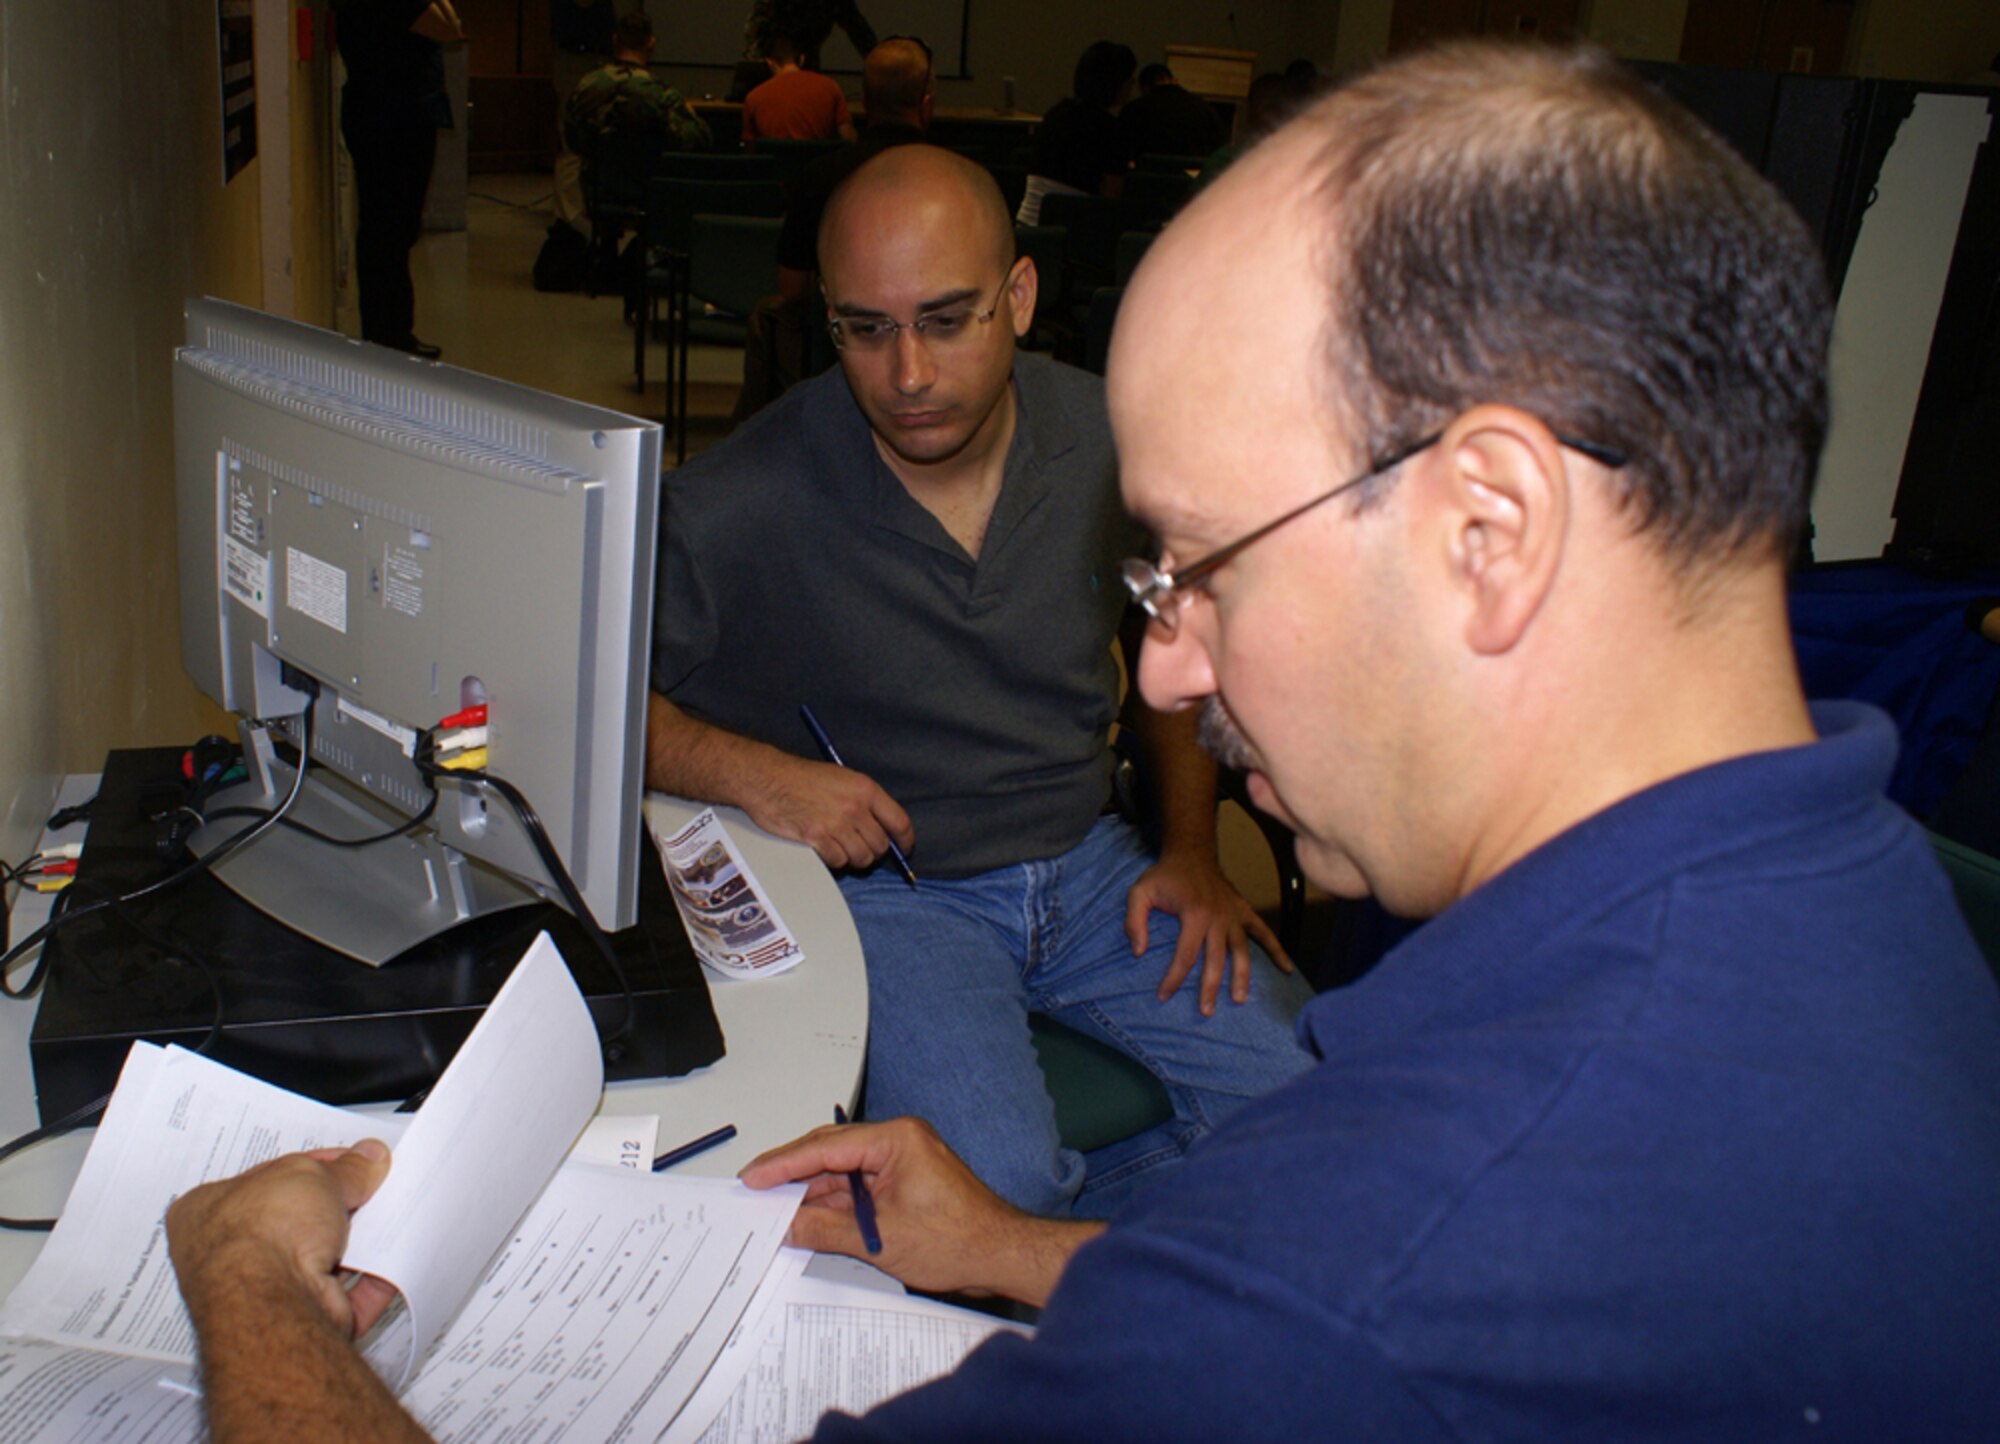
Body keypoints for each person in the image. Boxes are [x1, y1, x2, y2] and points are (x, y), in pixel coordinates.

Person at [163, 42, 2000, 1441]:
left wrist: (251, 1287)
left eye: (1202, 566)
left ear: (1491, 527)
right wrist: (1025, 1250)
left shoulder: (1365, 1276)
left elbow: (1336, 1293)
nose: (1170, 673)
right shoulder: (1870, 918)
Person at [652, 144, 1312, 1217]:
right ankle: (1044, 1249)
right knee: (999, 1182)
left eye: (946, 320)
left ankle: (1042, 1257)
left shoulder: (1109, 436)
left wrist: (1191, 850)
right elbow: (579, 703)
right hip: (899, 899)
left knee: (1316, 1112)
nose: (906, 375)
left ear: (1018, 296)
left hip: (1092, 861)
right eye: (864, 330)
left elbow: (1170, 648)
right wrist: (751, 771)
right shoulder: (744, 499)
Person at [731, 35, 934, 424]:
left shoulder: (822, 177)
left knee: (768, 317)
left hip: (834, 360)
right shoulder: (957, 184)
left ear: (863, 103)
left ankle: (760, 442)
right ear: (926, 104)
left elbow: (792, 289)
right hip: (933, 362)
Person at [334, 0, 462, 357]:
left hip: (391, 112)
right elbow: (449, 28)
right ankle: (388, 338)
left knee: (392, 232)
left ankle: (391, 334)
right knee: (388, 232)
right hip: (392, 116)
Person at [561, 12, 712, 170]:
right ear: (651, 43)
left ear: (614, 40)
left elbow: (572, 138)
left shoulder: (587, 86)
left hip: (599, 186)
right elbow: (699, 141)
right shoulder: (660, 93)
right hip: (646, 186)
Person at [1016, 40, 1137, 224]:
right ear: (1119, 84)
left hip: (1028, 224)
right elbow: (1110, 200)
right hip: (1073, 234)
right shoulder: (1112, 130)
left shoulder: (1056, 113)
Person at [547, 0, 616, 239]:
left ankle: (584, 214)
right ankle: (571, 218)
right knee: (573, 142)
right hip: (577, 56)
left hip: (598, 54)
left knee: (596, 142)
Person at [741, 31, 857, 143]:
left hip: (777, 163)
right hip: (818, 162)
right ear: (801, 59)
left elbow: (749, 149)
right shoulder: (831, 88)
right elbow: (848, 139)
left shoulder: (753, 98)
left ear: (769, 62)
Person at [1114, 62, 1223, 160]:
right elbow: (1219, 146)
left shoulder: (1134, 109)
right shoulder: (1203, 108)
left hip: (1146, 176)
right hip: (1192, 177)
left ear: (1145, 88)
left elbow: (1121, 148)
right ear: (1173, 80)